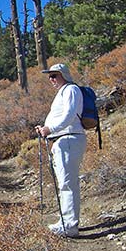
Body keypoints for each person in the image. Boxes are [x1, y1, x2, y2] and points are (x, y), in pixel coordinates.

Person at [35, 63, 86, 237]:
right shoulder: (63, 92)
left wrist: (50, 129)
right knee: (65, 183)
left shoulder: (71, 90)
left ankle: (70, 226)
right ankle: (66, 221)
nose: (51, 79)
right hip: (63, 141)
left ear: (63, 74)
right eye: (49, 76)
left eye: (54, 75)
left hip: (69, 139)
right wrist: (46, 128)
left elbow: (69, 115)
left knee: (68, 184)